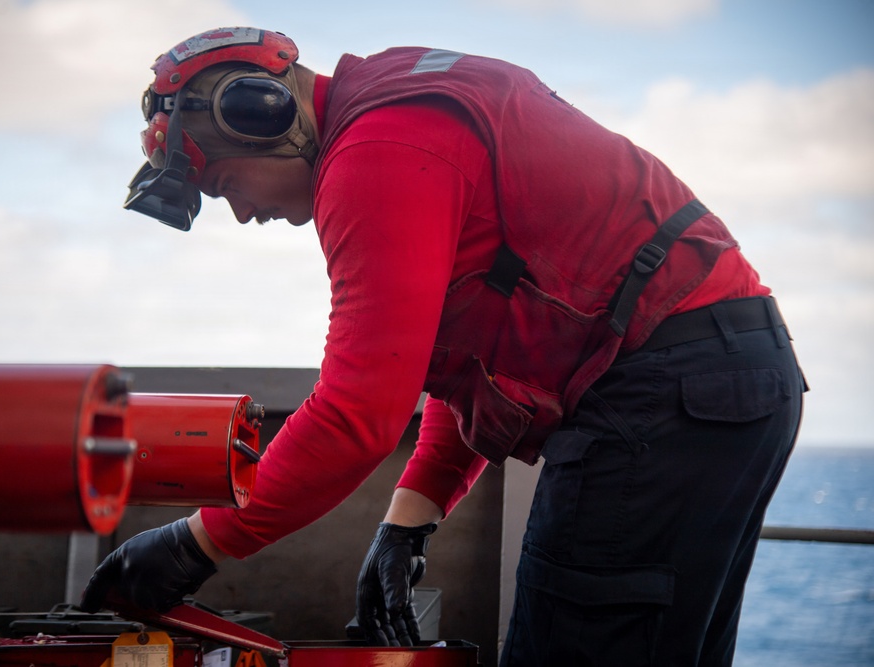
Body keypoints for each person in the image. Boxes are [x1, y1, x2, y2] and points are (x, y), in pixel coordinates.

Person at [81, 27, 806, 666]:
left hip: (661, 396)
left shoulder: (376, 154)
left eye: (224, 181)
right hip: (723, 384)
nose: (240, 213)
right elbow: (468, 365)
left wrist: (193, 543)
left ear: (262, 116)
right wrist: (408, 521)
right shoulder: (402, 107)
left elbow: (356, 412)